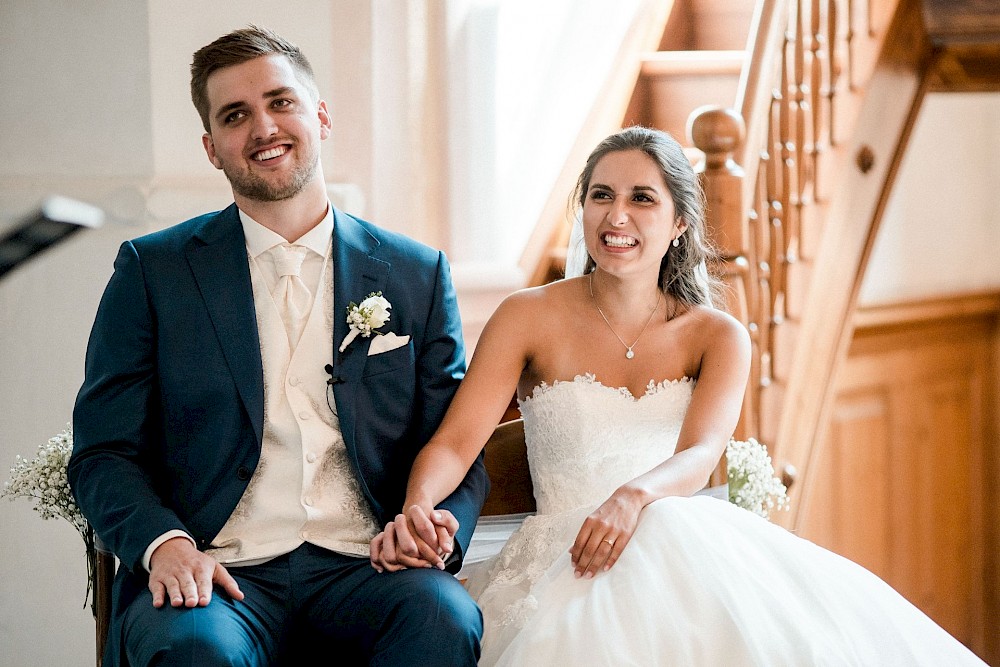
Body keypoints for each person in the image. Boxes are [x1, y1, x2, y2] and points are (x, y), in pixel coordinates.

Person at [370, 126, 988, 665]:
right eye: (601, 196)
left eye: (643, 199)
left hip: (673, 528)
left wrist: (633, 496)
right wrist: (419, 505)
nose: (617, 217)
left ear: (679, 222)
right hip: (562, 553)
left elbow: (702, 453)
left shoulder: (717, 334)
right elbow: (456, 442)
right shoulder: (527, 316)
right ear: (582, 210)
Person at [69, 26, 486, 667]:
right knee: (192, 649)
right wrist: (163, 544)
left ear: (319, 115)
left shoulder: (415, 272)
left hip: (365, 567)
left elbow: (457, 440)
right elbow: (103, 452)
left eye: (280, 102)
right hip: (218, 574)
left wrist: (434, 527)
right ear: (213, 149)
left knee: (443, 617)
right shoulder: (153, 273)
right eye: (236, 116)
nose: (263, 127)